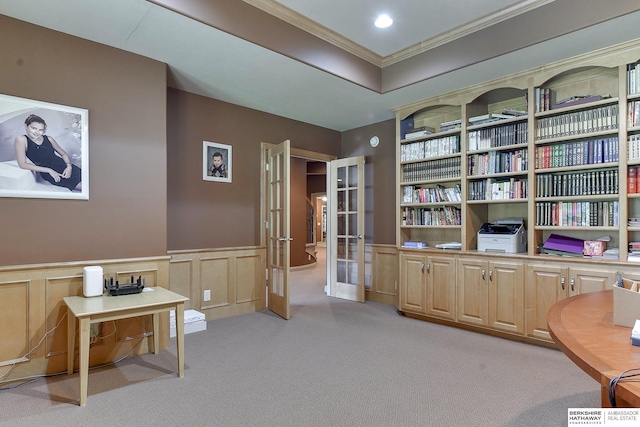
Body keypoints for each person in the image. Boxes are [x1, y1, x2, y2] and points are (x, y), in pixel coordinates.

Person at [14, 114, 82, 191]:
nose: (37, 132)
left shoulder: (48, 139)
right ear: (26, 126)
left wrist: (69, 166)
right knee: (86, 188)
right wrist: (49, 170)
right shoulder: (21, 139)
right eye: (33, 128)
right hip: (51, 174)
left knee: (92, 180)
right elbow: (22, 164)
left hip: (64, 167)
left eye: (40, 130)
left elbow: (63, 154)